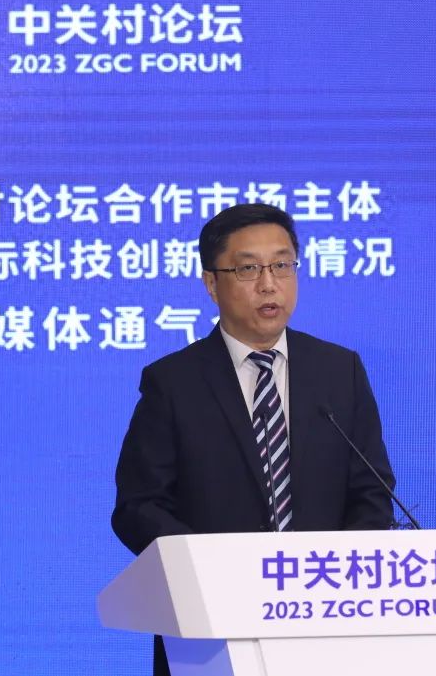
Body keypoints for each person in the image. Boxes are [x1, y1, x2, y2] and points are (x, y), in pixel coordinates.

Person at [111, 203, 396, 676]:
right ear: (211, 283)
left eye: (282, 265)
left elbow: (372, 493)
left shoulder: (339, 371)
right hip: (210, 634)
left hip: (327, 625)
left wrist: (336, 580)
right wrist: (212, 572)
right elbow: (138, 506)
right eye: (248, 269)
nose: (269, 284)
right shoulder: (173, 383)